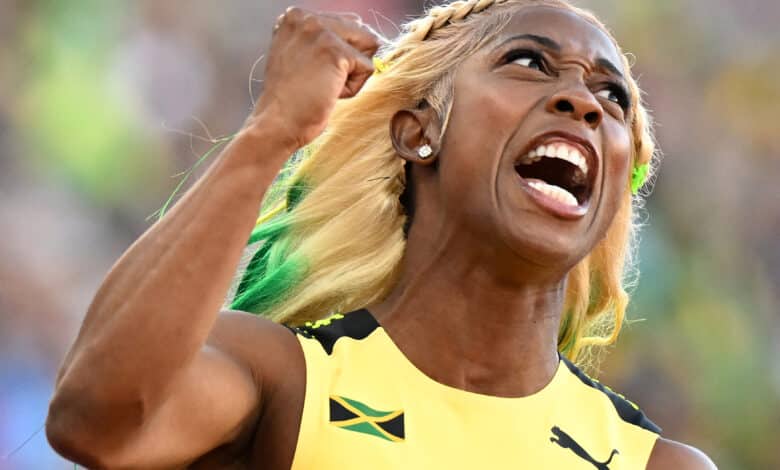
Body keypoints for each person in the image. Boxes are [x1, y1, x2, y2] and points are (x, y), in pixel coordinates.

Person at [45, 0, 717, 468]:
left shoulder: (655, 463)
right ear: (419, 131)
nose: (583, 102)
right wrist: (271, 132)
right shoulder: (283, 378)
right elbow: (96, 423)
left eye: (614, 97)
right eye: (529, 63)